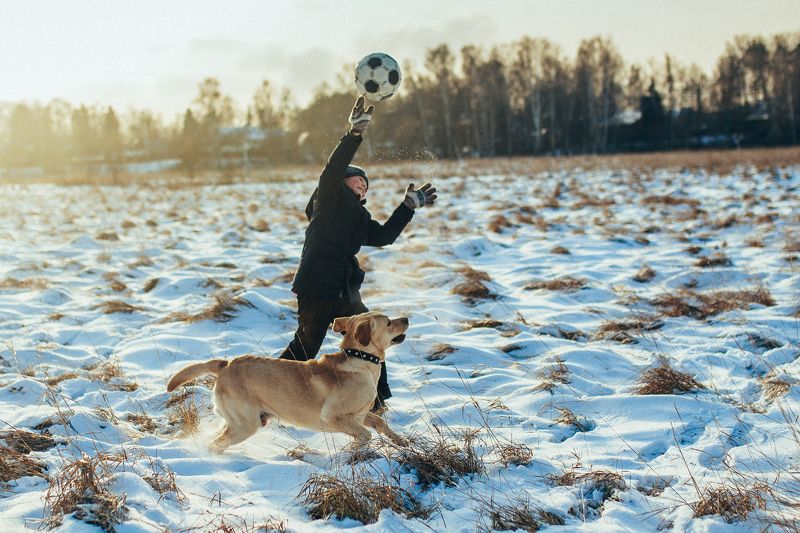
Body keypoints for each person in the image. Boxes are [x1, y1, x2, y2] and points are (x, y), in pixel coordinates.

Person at [279, 96, 436, 411]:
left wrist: (408, 207)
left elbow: (384, 236)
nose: (363, 187)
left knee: (373, 341)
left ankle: (375, 403)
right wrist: (354, 135)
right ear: (342, 182)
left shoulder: (359, 218)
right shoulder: (328, 199)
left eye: (366, 186)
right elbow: (333, 168)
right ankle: (272, 391)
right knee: (307, 345)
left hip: (345, 290)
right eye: (358, 180)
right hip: (316, 286)